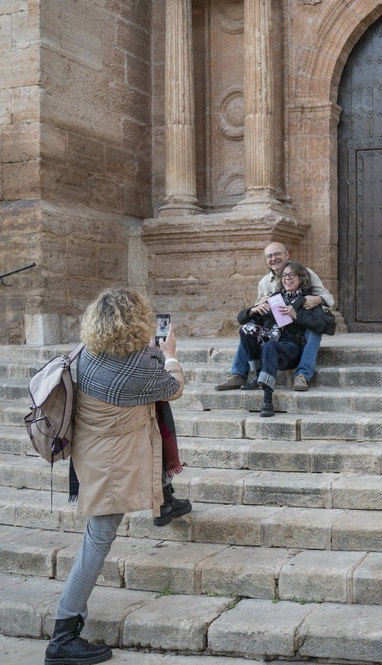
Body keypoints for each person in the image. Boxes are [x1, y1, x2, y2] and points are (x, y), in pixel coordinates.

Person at [45, 288, 190, 665]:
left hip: (92, 454)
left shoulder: (89, 352)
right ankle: (63, 634)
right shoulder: (138, 368)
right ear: (137, 322)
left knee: (98, 536)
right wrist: (170, 354)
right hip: (111, 463)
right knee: (98, 538)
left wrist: (155, 353)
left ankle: (166, 498)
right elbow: (173, 387)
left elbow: (145, 373)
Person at [215, 242, 334, 392]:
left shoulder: (304, 272)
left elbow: (328, 297)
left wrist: (317, 299)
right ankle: (239, 373)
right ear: (266, 260)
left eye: (277, 254)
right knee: (250, 325)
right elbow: (258, 309)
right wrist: (258, 306)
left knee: (315, 329)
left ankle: (303, 375)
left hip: (301, 325)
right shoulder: (264, 283)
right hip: (277, 329)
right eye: (269, 256)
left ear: (287, 255)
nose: (274, 258)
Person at [237, 261, 335, 416]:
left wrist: (297, 316)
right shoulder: (275, 298)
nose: (287, 278)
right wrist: (253, 310)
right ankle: (257, 373)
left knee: (270, 346)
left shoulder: (307, 300)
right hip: (272, 345)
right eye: (284, 275)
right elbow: (241, 318)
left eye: (292, 275)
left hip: (292, 350)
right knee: (247, 328)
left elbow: (327, 326)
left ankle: (267, 400)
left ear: (301, 278)